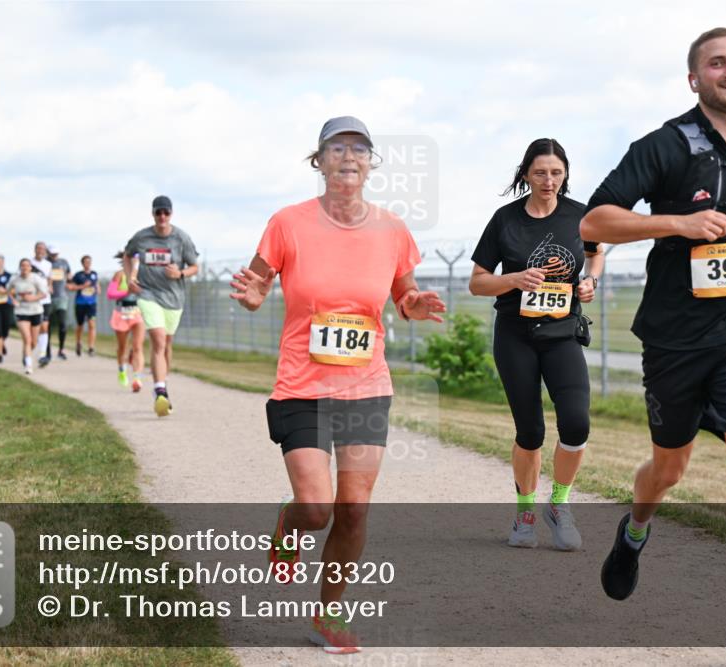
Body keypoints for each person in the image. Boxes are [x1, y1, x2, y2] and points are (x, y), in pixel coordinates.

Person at [580, 28, 726, 667]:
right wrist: (677, 222)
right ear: (695, 78)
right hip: (676, 343)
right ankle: (635, 530)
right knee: (669, 469)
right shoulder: (664, 146)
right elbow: (594, 220)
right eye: (717, 63)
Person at [230, 116, 445, 654]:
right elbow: (258, 282)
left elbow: (404, 292)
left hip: (366, 385)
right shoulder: (288, 223)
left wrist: (413, 304)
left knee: (354, 508)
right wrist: (254, 296)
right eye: (337, 148)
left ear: (371, 164)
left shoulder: (392, 229)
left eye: (360, 149)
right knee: (316, 508)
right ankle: (289, 524)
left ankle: (328, 613)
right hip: (302, 386)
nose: (349, 156)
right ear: (319, 161)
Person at [469, 138, 604, 551]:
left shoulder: (580, 215)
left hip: (562, 333)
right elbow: (477, 282)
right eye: (541, 172)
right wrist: (513, 279)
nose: (549, 180)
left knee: (576, 423)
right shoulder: (505, 220)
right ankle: (525, 512)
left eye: (557, 172)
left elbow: (596, 254)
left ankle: (559, 504)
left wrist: (590, 280)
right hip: (516, 335)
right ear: (526, 174)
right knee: (530, 431)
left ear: (565, 174)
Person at [124, 195, 199, 417]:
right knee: (158, 340)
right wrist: (130, 278)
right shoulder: (142, 237)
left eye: (166, 212)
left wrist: (180, 273)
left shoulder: (181, 238)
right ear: (153, 213)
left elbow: (195, 266)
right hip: (148, 294)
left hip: (174, 298)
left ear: (171, 213)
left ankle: (163, 382)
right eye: (158, 212)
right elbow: (127, 256)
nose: (162, 216)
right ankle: (160, 392)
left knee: (166, 345)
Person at [107, 251, 146, 391]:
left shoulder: (143, 276)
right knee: (122, 347)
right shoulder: (119, 275)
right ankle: (122, 370)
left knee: (137, 347)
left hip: (137, 313)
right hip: (121, 313)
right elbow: (110, 294)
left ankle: (137, 378)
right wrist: (127, 292)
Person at [8, 258, 48, 374]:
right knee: (27, 339)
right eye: (22, 265)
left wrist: (33, 298)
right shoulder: (15, 279)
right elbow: (8, 291)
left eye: (27, 265)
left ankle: (25, 355)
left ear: (30, 268)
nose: (25, 268)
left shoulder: (36, 278)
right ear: (20, 267)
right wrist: (13, 300)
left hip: (35, 311)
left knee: (34, 342)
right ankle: (28, 366)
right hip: (21, 311)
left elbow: (44, 294)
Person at [45, 245, 72, 362]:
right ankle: (47, 351)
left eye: (56, 254)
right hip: (47, 298)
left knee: (63, 324)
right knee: (47, 326)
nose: (54, 256)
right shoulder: (45, 263)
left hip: (61, 297)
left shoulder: (64, 262)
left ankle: (61, 350)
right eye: (52, 254)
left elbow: (69, 275)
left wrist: (69, 280)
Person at [69, 255, 99, 357]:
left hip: (91, 303)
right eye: (86, 262)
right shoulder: (78, 275)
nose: (88, 264)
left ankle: (91, 347)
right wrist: (83, 286)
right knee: (80, 325)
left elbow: (97, 285)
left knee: (92, 324)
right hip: (80, 303)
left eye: (89, 262)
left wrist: (97, 290)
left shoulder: (94, 274)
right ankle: (78, 342)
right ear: (82, 263)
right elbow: (71, 287)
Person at [29, 242, 53, 368]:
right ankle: (30, 351)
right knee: (34, 328)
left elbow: (50, 279)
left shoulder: (48, 264)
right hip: (32, 300)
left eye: (43, 249)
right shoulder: (29, 263)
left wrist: (50, 286)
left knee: (44, 326)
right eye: (38, 248)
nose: (40, 251)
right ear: (35, 250)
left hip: (45, 299)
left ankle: (43, 354)